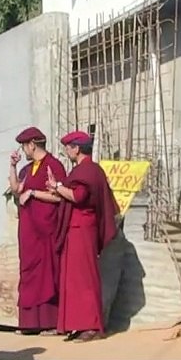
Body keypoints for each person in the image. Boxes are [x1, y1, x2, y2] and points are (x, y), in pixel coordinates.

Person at [48, 130, 118, 342]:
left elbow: (78, 196)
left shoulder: (88, 171)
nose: (66, 152)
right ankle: (79, 324)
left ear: (76, 148)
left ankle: (93, 325)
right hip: (76, 229)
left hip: (82, 229)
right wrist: (57, 188)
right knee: (73, 279)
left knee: (85, 278)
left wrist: (58, 187)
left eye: (68, 147)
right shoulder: (86, 169)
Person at [7, 127, 65, 335]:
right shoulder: (27, 168)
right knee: (29, 273)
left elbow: (59, 196)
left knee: (48, 274)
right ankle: (29, 324)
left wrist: (33, 193)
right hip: (29, 231)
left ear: (32, 144)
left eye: (24, 145)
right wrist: (13, 167)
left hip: (46, 231)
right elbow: (16, 189)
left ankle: (49, 323)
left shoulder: (54, 165)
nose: (24, 150)